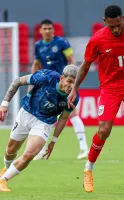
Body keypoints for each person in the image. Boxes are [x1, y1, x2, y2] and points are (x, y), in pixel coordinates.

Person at [67, 5, 124, 193]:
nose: (116, 30)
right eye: (111, 26)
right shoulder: (97, 39)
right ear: (104, 21)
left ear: (123, 18)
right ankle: (88, 169)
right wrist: (74, 89)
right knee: (104, 130)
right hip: (109, 89)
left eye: (118, 25)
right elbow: (84, 66)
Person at [0, 65, 79, 192]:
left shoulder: (74, 98)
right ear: (61, 78)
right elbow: (18, 81)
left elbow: (63, 119)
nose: (71, 86)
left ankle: (3, 180)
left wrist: (53, 141)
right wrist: (4, 104)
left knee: (30, 153)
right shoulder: (46, 77)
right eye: (69, 81)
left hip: (44, 122)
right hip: (26, 112)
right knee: (10, 150)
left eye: (75, 84)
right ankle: (5, 169)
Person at [31, 19, 88, 160]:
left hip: (64, 85)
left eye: (50, 28)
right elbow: (36, 64)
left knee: (72, 112)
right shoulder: (38, 46)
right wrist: (32, 84)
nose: (47, 31)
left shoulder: (62, 42)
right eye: (45, 28)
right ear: (40, 30)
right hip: (47, 86)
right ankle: (41, 150)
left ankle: (84, 147)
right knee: (44, 115)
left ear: (53, 30)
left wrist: (73, 81)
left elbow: (71, 60)